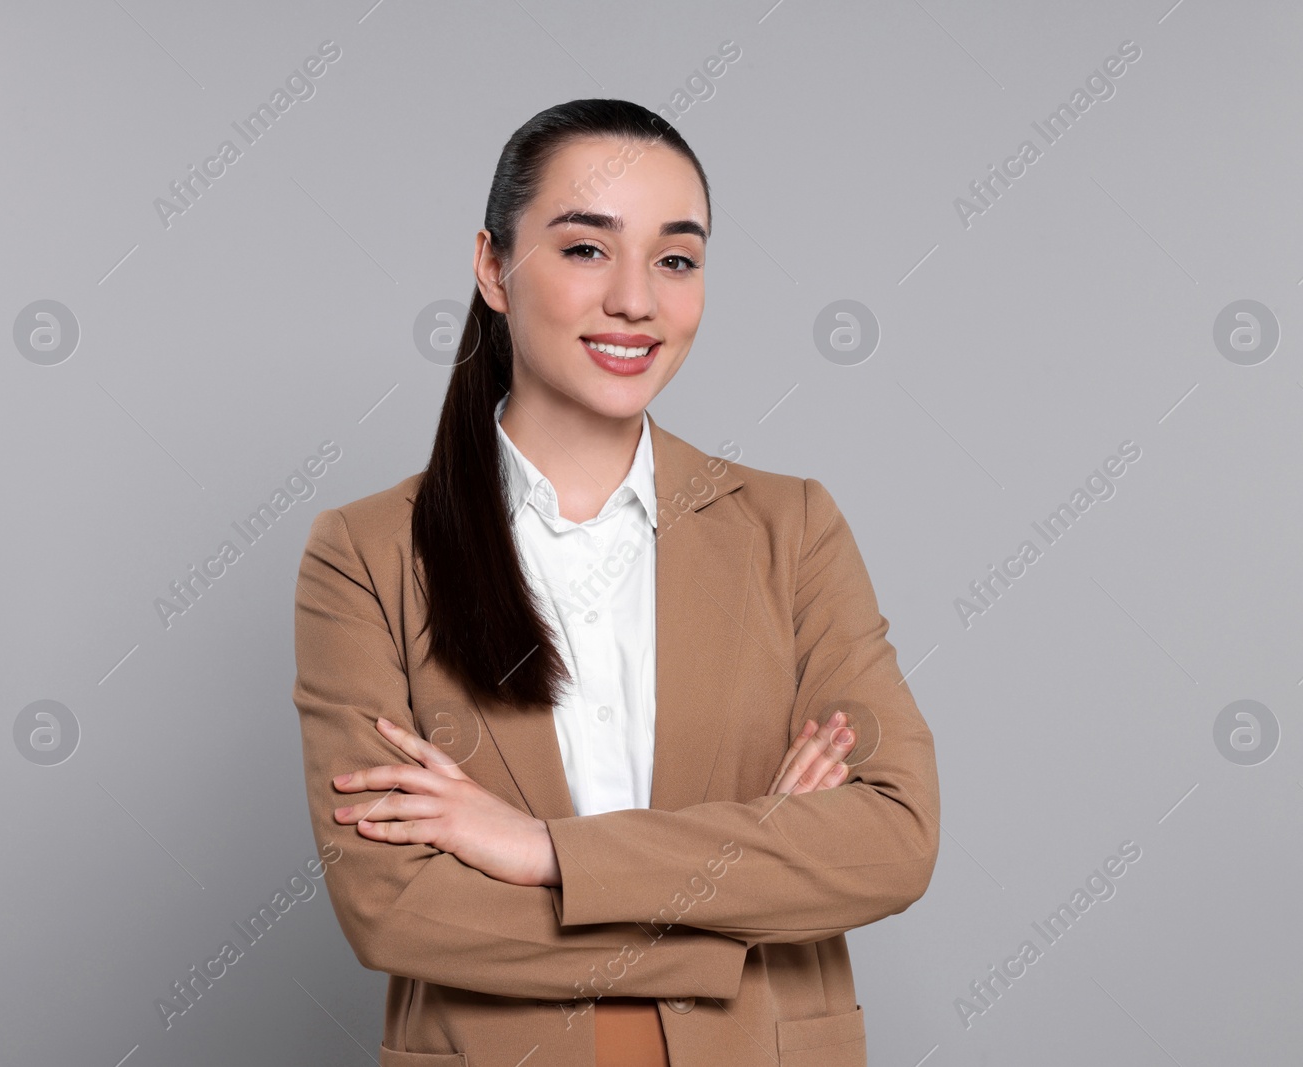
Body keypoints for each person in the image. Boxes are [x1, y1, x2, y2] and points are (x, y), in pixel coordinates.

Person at [292, 98, 940, 1067]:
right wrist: (741, 897)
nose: (636, 299)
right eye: (587, 249)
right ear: (492, 268)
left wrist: (543, 852)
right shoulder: (368, 552)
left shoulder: (790, 527)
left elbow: (891, 835)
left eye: (675, 259)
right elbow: (397, 908)